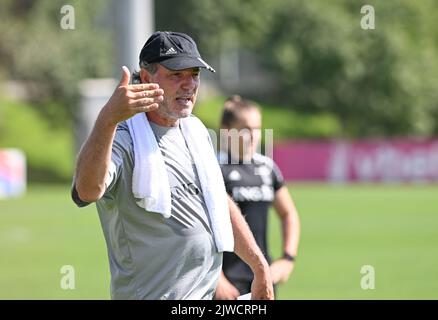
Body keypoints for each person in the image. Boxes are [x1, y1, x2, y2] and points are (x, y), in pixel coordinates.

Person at [71, 31, 274, 300]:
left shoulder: (196, 131)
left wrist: (259, 266)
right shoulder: (123, 137)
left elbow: (218, 200)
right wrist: (107, 118)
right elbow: (86, 191)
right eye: (176, 75)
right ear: (146, 78)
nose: (189, 84)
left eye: (195, 74)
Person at [214, 95, 301, 299]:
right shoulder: (213, 167)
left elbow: (288, 214)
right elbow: (198, 229)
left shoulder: (267, 168)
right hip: (225, 283)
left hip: (262, 278)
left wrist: (288, 258)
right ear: (226, 130)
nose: (253, 135)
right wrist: (216, 278)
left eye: (257, 129)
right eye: (245, 129)